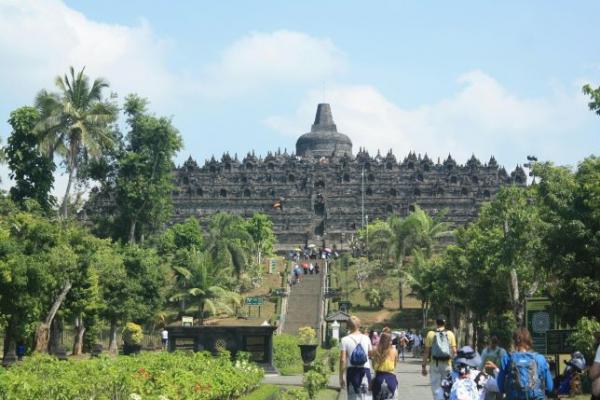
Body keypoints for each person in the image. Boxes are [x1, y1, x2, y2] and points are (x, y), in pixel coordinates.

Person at [497, 327, 553, 400]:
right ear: (529, 340)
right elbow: (550, 387)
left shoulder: (507, 358)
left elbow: (500, 386)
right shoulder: (540, 358)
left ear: (514, 341)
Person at [422, 315, 458, 399]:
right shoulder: (450, 334)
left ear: (436, 322)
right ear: (445, 323)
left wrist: (423, 366)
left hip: (435, 365)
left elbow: (426, 352)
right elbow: (454, 352)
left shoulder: (430, 334)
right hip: (447, 364)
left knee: (436, 389)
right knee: (448, 387)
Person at [340, 315, 373, 400]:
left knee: (353, 397)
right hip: (365, 370)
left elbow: (343, 360)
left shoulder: (344, 340)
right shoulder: (366, 338)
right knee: (366, 397)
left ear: (348, 326)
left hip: (352, 372)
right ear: (359, 325)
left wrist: (341, 377)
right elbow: (370, 354)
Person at [370, 332, 398, 399]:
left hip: (378, 379)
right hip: (391, 379)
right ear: (390, 341)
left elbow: (373, 366)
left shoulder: (375, 351)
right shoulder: (394, 351)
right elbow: (394, 366)